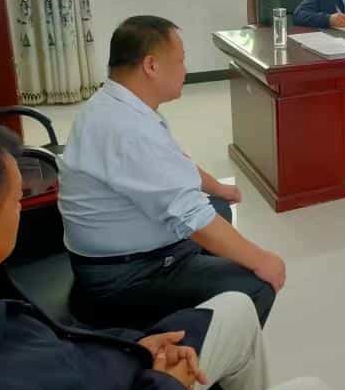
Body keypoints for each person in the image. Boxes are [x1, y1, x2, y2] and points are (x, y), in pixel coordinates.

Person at [0, 119, 331, 390]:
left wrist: (136, 347)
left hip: (113, 367)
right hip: (144, 385)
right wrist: (167, 386)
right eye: (17, 200)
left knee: (238, 307)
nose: (23, 208)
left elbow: (63, 347)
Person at [59, 16, 285, 330]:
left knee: (219, 207)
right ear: (151, 66)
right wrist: (262, 260)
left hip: (116, 254)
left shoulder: (113, 103)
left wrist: (217, 187)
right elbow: (191, 216)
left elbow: (172, 164)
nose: (185, 70)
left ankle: (198, 294)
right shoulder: (129, 130)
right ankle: (194, 354)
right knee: (255, 285)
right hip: (124, 276)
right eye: (180, 61)